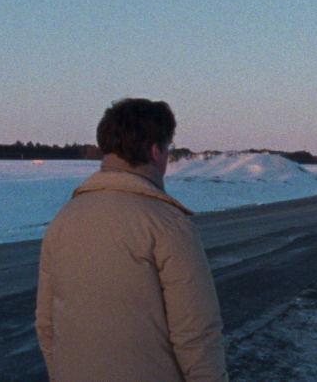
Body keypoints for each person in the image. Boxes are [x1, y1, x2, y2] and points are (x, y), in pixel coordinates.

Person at [35, 98, 227, 382]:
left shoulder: (63, 220)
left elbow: (47, 325)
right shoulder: (168, 226)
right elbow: (196, 336)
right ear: (154, 151)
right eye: (167, 150)